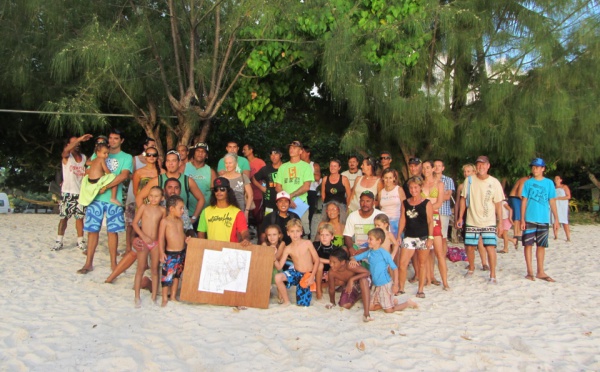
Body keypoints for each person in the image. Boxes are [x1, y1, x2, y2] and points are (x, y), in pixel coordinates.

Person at [104, 177, 195, 283]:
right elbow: (138, 225)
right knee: (136, 248)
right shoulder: (154, 204)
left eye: (176, 188)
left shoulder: (181, 207)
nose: (173, 190)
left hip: (172, 245)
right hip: (152, 240)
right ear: (164, 190)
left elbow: (188, 228)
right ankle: (111, 277)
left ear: (180, 190)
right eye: (170, 187)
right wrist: (134, 239)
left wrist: (190, 237)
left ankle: (150, 283)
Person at [77, 129, 133, 274]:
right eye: (111, 138)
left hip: (113, 199)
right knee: (92, 231)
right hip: (96, 198)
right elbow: (88, 171)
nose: (112, 141)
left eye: (116, 138)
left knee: (112, 231)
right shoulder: (99, 153)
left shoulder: (126, 157)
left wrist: (106, 186)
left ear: (122, 141)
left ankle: (114, 264)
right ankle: (88, 263)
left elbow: (124, 175)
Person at [456, 156, 505, 284]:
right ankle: (471, 267)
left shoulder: (494, 182)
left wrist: (500, 222)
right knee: (470, 247)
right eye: (478, 165)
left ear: (488, 166)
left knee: (490, 248)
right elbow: (463, 198)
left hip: (488, 221)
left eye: (483, 165)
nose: (481, 167)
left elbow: (498, 203)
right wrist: (460, 217)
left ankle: (492, 274)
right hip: (472, 219)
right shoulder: (469, 180)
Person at [349, 228, 419, 315]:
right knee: (370, 307)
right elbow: (354, 257)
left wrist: (395, 284)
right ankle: (390, 302)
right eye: (368, 238)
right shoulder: (369, 252)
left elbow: (395, 268)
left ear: (379, 241)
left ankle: (407, 303)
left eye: (370, 239)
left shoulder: (384, 253)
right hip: (375, 285)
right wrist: (352, 260)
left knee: (389, 310)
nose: (368, 241)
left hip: (385, 284)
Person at [137, 149, 205, 223]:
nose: (170, 163)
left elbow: (201, 199)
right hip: (160, 222)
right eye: (168, 161)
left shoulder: (187, 180)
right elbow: (139, 197)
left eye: (173, 161)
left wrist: (194, 218)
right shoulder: (157, 180)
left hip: (181, 223)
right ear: (165, 163)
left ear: (179, 163)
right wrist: (146, 215)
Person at [521, 158, 559, 282]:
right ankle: (529, 271)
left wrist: (556, 219)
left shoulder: (549, 183)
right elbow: (524, 201)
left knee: (541, 245)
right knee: (528, 244)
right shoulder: (528, 183)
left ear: (543, 169)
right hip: (530, 218)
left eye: (537, 167)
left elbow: (552, 200)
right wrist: (522, 219)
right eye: (533, 167)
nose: (535, 169)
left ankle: (540, 271)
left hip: (543, 218)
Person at [52, 134, 92, 252]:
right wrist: (79, 139)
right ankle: (59, 241)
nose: (78, 145)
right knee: (64, 218)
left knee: (79, 218)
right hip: (67, 192)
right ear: (68, 145)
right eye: (75, 143)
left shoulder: (84, 158)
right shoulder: (66, 157)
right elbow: (65, 151)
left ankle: (80, 241)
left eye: (79, 143)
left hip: (80, 193)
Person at [397, 176, 434, 297]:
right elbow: (402, 219)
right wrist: (398, 236)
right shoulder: (405, 203)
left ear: (420, 187)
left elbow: (430, 221)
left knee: (421, 263)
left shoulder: (426, 203)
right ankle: (401, 288)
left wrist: (430, 238)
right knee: (402, 263)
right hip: (409, 236)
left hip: (423, 236)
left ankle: (420, 289)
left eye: (416, 187)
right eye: (411, 187)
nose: (413, 190)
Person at [131, 186, 165, 307]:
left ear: (162, 198)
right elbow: (134, 223)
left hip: (156, 243)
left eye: (156, 196)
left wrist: (162, 244)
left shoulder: (162, 210)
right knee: (140, 268)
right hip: (144, 241)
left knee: (155, 270)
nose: (153, 198)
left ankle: (154, 296)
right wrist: (142, 236)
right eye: (151, 196)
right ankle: (137, 296)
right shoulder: (144, 207)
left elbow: (164, 227)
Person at [124, 137, 159, 256]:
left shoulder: (161, 172)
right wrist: (142, 207)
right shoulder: (139, 172)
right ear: (145, 156)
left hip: (156, 204)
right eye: (149, 155)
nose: (151, 157)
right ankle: (130, 250)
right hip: (141, 204)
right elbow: (135, 191)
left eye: (154, 155)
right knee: (135, 227)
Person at [274, 219, 320, 307]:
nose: (295, 234)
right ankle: (286, 301)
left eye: (297, 231)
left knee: (302, 304)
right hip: (296, 273)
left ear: (301, 232)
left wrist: (311, 277)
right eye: (292, 231)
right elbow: (279, 267)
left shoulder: (307, 243)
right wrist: (273, 258)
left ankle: (302, 292)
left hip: (307, 274)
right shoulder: (288, 248)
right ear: (288, 233)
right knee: (278, 277)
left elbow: (317, 260)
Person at [275, 140, 315, 237]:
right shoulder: (283, 167)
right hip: (284, 205)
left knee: (302, 232)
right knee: (284, 231)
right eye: (290, 147)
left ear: (301, 151)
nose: (291, 149)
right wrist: (287, 200)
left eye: (295, 147)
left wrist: (290, 196)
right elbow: (277, 186)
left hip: (300, 205)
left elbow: (306, 186)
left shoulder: (306, 166)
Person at [197, 177, 251, 245]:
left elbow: (244, 232)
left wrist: (246, 239)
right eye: (216, 189)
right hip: (211, 251)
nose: (219, 192)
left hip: (230, 251)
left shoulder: (237, 212)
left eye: (222, 189)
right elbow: (201, 234)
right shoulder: (206, 211)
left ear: (228, 191)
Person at [159, 195, 191, 307]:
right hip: (170, 253)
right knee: (167, 277)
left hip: (181, 252)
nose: (183, 211)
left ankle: (173, 296)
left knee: (177, 274)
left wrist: (186, 239)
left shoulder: (180, 221)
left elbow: (181, 234)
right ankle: (164, 298)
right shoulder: (165, 221)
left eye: (183, 209)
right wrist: (161, 252)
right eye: (181, 208)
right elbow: (161, 238)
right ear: (172, 209)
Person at [421, 160, 448, 289]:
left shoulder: (439, 184)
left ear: (432, 169)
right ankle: (428, 278)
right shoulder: (420, 184)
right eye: (423, 168)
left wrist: (427, 209)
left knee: (439, 251)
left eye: (427, 167)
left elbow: (439, 202)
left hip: (435, 216)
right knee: (426, 251)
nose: (425, 170)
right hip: (422, 219)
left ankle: (445, 281)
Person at [325, 248, 372, 322]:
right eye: (330, 261)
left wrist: (351, 279)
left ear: (343, 262)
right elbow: (331, 289)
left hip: (363, 281)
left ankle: (366, 313)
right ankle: (360, 296)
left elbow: (367, 273)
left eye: (334, 262)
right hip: (352, 286)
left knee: (363, 280)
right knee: (344, 305)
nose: (331, 264)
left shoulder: (350, 266)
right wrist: (332, 302)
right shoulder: (332, 272)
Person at [455, 164, 488, 267]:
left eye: (468, 171)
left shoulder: (479, 184)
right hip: (465, 214)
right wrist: (457, 217)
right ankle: (471, 262)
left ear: (474, 172)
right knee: (468, 241)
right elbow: (458, 202)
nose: (466, 173)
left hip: (477, 214)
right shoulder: (461, 186)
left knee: (480, 240)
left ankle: (484, 263)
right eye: (465, 171)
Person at [343, 190, 384, 256]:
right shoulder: (352, 215)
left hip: (375, 248)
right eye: (362, 201)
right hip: (357, 248)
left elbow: (384, 238)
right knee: (344, 249)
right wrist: (351, 248)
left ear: (373, 202)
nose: (365, 204)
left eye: (368, 201)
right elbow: (347, 235)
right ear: (359, 202)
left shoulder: (380, 215)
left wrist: (365, 250)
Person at [185, 142, 216, 223]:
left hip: (204, 213)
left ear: (206, 155)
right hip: (185, 213)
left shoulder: (211, 171)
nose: (200, 153)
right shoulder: (184, 167)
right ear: (194, 153)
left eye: (203, 152)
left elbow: (214, 193)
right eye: (198, 151)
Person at [220, 153, 253, 221]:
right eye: (226, 163)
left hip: (240, 211)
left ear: (235, 164)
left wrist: (246, 212)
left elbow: (250, 195)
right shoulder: (221, 179)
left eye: (230, 163)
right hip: (225, 214)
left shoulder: (243, 177)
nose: (228, 165)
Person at [253, 148, 284, 215]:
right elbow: (253, 178)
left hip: (283, 200)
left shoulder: (286, 168)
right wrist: (261, 187)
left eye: (276, 154)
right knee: (269, 222)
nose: (273, 156)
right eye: (271, 154)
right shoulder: (266, 169)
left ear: (280, 155)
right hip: (269, 201)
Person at [434, 159, 455, 255]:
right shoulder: (430, 180)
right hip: (432, 211)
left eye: (439, 165)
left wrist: (435, 197)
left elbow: (447, 196)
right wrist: (441, 195)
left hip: (443, 211)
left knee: (443, 236)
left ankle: (442, 257)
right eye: (435, 165)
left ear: (443, 168)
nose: (437, 167)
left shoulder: (448, 180)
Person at [313, 223, 340, 299]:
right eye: (322, 235)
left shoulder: (336, 249)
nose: (324, 237)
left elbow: (338, 263)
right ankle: (319, 290)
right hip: (316, 272)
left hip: (329, 273)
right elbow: (314, 258)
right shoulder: (315, 245)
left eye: (327, 235)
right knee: (319, 264)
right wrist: (330, 261)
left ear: (332, 237)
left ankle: (322, 286)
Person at [243, 143, 266, 227]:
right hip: (245, 194)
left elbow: (265, 177)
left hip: (257, 194)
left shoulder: (260, 162)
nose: (243, 151)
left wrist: (263, 189)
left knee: (258, 217)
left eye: (245, 149)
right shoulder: (243, 162)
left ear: (251, 150)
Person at [377, 168, 406, 237]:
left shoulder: (399, 189)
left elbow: (404, 207)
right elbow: (381, 207)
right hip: (384, 223)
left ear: (394, 178)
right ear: (383, 178)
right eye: (386, 178)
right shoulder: (381, 192)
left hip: (397, 221)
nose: (388, 180)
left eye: (390, 178)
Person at [300, 144, 321, 238]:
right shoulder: (297, 164)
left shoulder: (314, 165)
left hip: (311, 191)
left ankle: (308, 234)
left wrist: (305, 176)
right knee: (299, 213)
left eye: (303, 151)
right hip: (299, 191)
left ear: (308, 153)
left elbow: (317, 177)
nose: (300, 153)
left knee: (310, 213)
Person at [508, 175, 531, 247]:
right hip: (515, 197)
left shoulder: (527, 181)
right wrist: (525, 201)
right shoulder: (524, 180)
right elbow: (519, 193)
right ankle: (516, 233)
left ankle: (518, 233)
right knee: (517, 217)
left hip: (518, 198)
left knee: (520, 216)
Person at [553, 175, 571, 241]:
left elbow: (568, 196)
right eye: (555, 178)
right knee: (554, 220)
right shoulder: (553, 188)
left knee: (564, 221)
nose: (556, 180)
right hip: (555, 205)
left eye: (558, 178)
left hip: (563, 205)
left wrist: (558, 198)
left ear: (561, 180)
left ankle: (568, 237)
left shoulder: (564, 187)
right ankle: (556, 236)